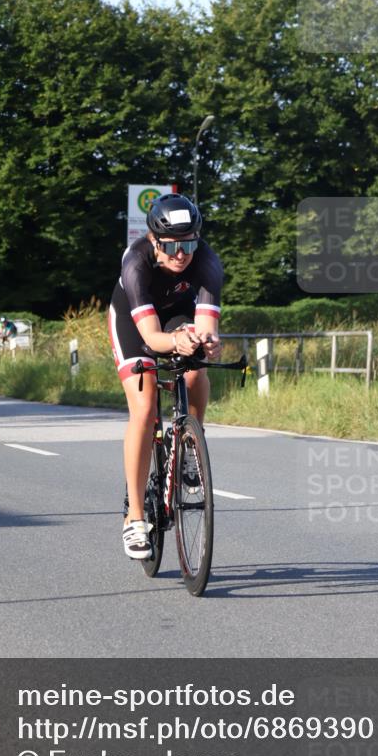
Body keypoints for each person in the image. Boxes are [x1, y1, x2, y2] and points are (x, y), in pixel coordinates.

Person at [108, 193, 223, 559]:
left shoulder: (207, 261)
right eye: (172, 245)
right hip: (136, 322)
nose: (181, 253)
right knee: (144, 408)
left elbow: (205, 324)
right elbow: (153, 339)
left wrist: (206, 342)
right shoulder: (136, 261)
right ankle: (135, 518)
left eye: (189, 243)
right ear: (155, 241)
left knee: (195, 369)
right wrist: (174, 341)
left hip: (176, 314)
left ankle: (191, 443)